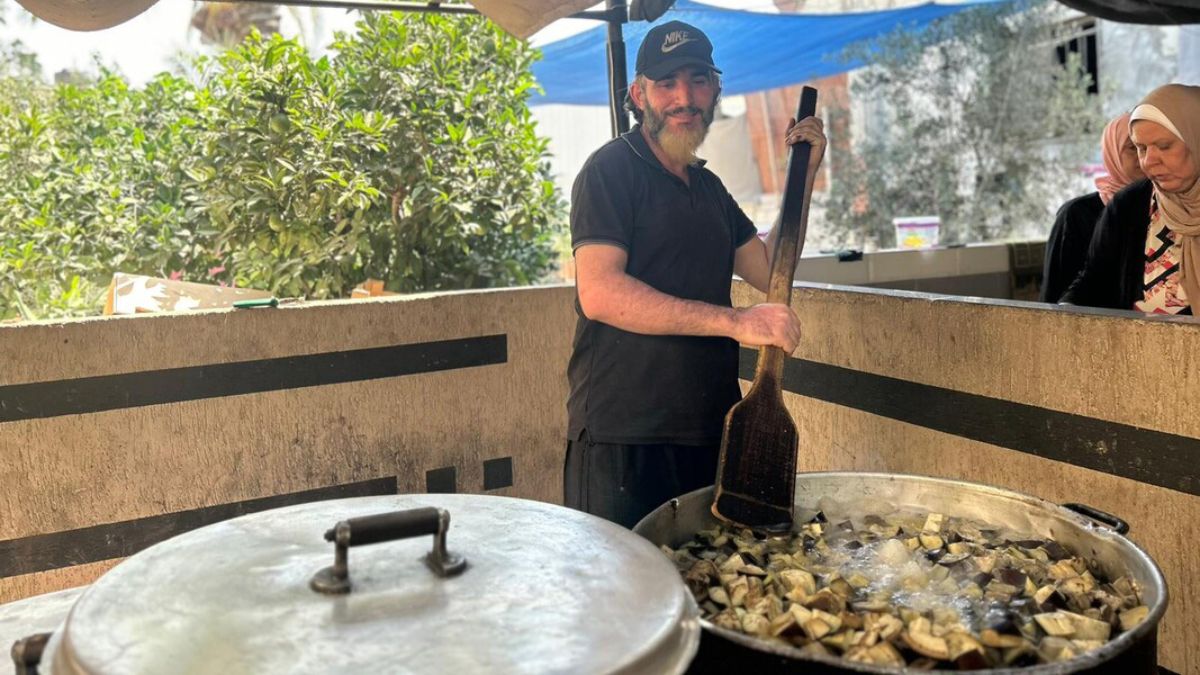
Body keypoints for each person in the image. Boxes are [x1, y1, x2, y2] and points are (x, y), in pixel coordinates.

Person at [562, 20, 827, 528]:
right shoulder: (610, 171)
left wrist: (804, 177)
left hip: (712, 431)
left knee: (705, 588)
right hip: (625, 438)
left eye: (698, 80)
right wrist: (736, 322)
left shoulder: (710, 190)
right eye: (667, 83)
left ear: (715, 90)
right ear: (639, 95)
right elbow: (600, 292)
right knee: (628, 597)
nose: (684, 97)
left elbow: (770, 269)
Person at [1062, 84, 1200, 314]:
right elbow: (1093, 283)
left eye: (1164, 146)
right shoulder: (1130, 203)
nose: (1148, 161)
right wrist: (1065, 313)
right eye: (1140, 148)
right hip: (1137, 346)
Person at [1040, 113, 1144, 302]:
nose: (1145, 156)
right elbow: (1054, 291)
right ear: (1112, 153)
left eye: (1151, 146)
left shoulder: (1173, 210)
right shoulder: (1077, 214)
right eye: (1133, 147)